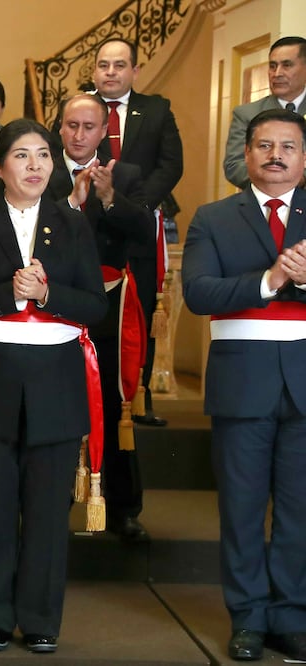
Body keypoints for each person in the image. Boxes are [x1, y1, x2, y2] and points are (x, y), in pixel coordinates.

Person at [0, 119, 106, 654]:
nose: (35, 166)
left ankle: (39, 620)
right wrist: (9, 294)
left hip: (54, 382)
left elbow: (95, 306)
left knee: (49, 512)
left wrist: (48, 293)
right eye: (23, 156)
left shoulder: (73, 224)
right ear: (0, 165)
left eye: (44, 156)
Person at [182, 108, 306, 663]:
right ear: (247, 155)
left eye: (288, 146)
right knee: (241, 508)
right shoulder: (213, 217)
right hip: (242, 382)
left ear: (304, 158)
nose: (275, 155)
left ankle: (292, 616)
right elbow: (201, 293)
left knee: (301, 511)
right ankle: (249, 619)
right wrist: (271, 279)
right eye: (264, 145)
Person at [90, 37, 184, 540]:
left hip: (138, 240)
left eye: (119, 65)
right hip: (88, 254)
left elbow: (172, 165)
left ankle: (136, 394)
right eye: (102, 65)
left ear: (134, 69)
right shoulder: (82, 112)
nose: (110, 72)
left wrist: (134, 201)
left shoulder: (157, 110)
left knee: (134, 329)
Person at [49, 94, 155, 537]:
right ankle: (48, 505)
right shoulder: (40, 167)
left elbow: (145, 232)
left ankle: (123, 508)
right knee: (52, 407)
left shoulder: (125, 174)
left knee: (113, 409)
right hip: (53, 306)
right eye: (71, 125)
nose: (78, 135)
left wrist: (110, 198)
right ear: (60, 129)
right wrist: (72, 205)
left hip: (109, 306)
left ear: (104, 129)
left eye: (88, 127)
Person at [224, 36, 306, 190]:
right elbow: (234, 165)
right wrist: (274, 181)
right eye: (273, 66)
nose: (277, 74)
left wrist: (300, 179)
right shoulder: (247, 114)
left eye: (287, 65)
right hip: (263, 205)